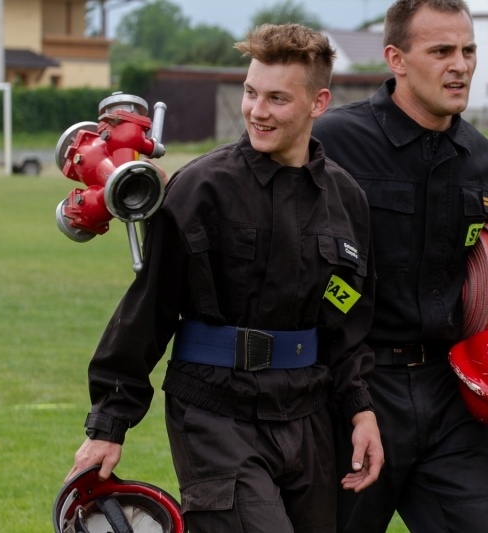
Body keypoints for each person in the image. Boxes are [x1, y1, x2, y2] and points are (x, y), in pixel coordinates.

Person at [65, 23, 383, 532]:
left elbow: (347, 320)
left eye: (277, 98)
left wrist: (360, 410)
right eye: (251, 93)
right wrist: (109, 423)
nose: (258, 110)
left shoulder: (348, 202)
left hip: (308, 414)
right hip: (215, 413)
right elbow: (148, 310)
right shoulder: (200, 188)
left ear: (318, 102)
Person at [312, 1, 488, 532]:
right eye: (441, 51)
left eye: (468, 50)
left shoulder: (484, 161)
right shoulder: (331, 141)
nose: (460, 65)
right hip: (353, 388)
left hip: (450, 392)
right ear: (396, 59)